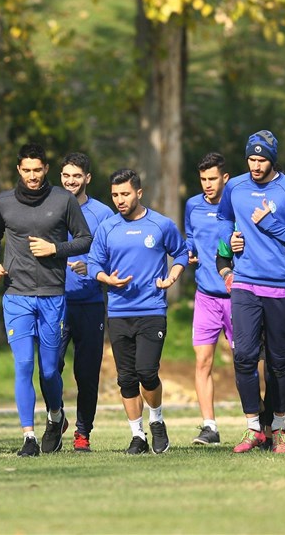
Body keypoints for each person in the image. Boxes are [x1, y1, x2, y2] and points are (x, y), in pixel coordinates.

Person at [0, 143, 92, 457]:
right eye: (26, 170)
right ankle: (28, 437)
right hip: (16, 295)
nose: (32, 176)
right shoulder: (3, 202)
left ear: (45, 169)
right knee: (23, 364)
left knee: (48, 371)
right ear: (19, 170)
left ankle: (56, 417)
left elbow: (85, 239)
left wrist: (55, 249)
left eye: (37, 170)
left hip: (52, 296)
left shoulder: (63, 200)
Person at [216, 130, 285, 454]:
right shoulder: (235, 187)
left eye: (262, 159)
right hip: (245, 283)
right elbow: (224, 220)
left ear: (272, 159)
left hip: (281, 287)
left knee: (279, 362)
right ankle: (254, 428)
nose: (256, 165)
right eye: (251, 159)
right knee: (243, 355)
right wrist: (228, 243)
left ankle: (281, 427)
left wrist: (270, 223)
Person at [88, 168, 188, 454]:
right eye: (115, 195)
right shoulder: (107, 228)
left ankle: (156, 421)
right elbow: (94, 264)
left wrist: (172, 276)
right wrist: (107, 279)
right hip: (118, 312)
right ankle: (137, 435)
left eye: (125, 194)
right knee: (126, 379)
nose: (120, 200)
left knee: (146, 371)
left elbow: (180, 253)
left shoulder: (160, 225)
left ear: (139, 193)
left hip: (152, 309)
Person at [46, 152, 114, 452]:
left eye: (76, 176)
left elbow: (116, 256)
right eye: (65, 176)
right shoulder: (49, 208)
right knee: (49, 368)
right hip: (53, 302)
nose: (70, 181)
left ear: (87, 178)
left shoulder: (103, 214)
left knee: (86, 373)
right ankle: (56, 417)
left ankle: (82, 433)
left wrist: (92, 267)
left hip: (90, 305)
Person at [184, 152, 232, 446]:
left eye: (212, 178)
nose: (207, 184)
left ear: (225, 178)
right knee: (203, 361)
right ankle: (209, 427)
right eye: (203, 179)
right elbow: (190, 238)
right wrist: (189, 252)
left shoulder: (237, 205)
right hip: (205, 296)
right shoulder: (192, 205)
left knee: (247, 362)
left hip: (237, 296)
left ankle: (259, 421)